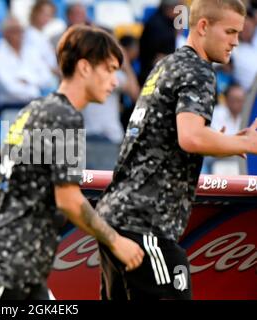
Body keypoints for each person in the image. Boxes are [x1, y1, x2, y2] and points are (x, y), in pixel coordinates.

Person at [0, 25, 144, 300]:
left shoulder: (37, 108)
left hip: (24, 271)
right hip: (5, 271)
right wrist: (116, 242)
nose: (115, 81)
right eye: (109, 68)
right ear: (84, 67)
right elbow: (68, 199)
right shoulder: (66, 117)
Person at [95, 0, 257, 300]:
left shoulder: (167, 64)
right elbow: (191, 138)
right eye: (230, 31)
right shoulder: (199, 70)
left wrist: (222, 142)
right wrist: (245, 142)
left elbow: (171, 140)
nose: (236, 40)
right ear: (203, 26)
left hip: (115, 219)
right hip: (145, 224)